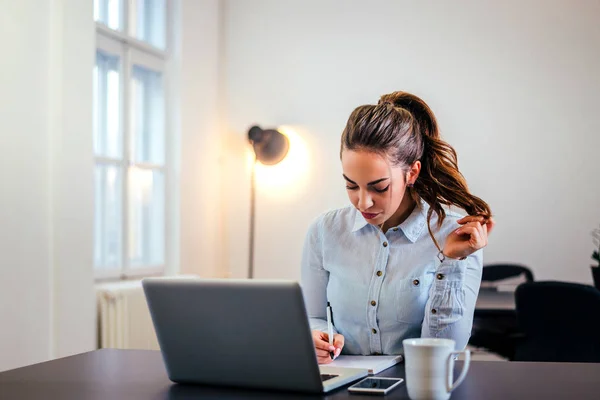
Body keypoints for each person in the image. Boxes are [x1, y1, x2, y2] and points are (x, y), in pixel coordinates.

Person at [301, 91, 495, 364]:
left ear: (412, 173)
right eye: (351, 185)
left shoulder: (455, 237)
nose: (363, 201)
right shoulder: (325, 231)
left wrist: (452, 261)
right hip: (342, 384)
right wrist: (319, 336)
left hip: (417, 385)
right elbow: (313, 316)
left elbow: (446, 349)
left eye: (379, 187)